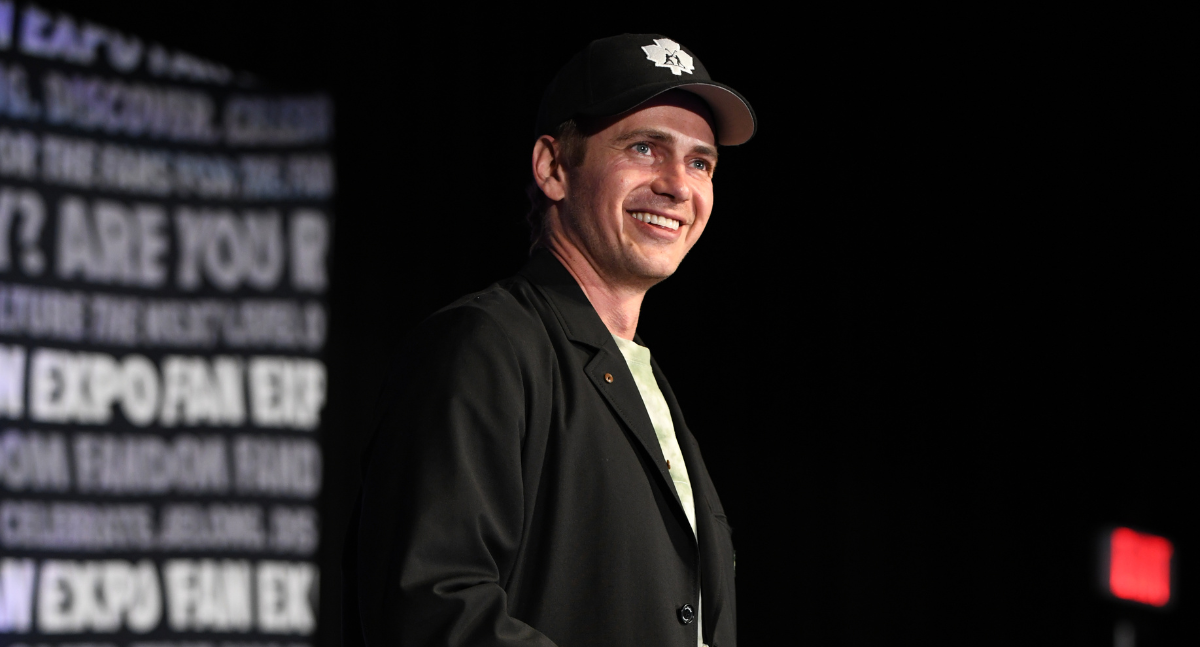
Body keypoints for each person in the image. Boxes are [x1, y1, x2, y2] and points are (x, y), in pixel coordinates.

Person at [344, 33, 756, 647]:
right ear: (553, 168)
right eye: (644, 148)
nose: (678, 185)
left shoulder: (645, 383)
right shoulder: (483, 347)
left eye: (700, 163)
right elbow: (432, 608)